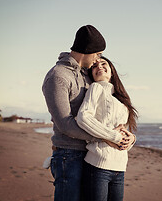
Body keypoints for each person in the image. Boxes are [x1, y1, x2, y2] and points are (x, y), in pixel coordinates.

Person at [42, 25, 134, 201]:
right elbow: (65, 124)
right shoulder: (57, 76)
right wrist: (108, 137)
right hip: (68, 156)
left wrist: (127, 137)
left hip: (89, 155)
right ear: (87, 50)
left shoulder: (86, 75)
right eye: (98, 54)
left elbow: (106, 116)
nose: (98, 59)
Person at [76, 56, 138, 201]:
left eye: (104, 64)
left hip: (120, 167)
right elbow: (83, 117)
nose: (99, 66)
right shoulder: (96, 87)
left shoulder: (120, 99)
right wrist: (115, 137)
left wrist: (132, 139)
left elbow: (122, 129)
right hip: (98, 165)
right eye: (95, 66)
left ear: (112, 72)